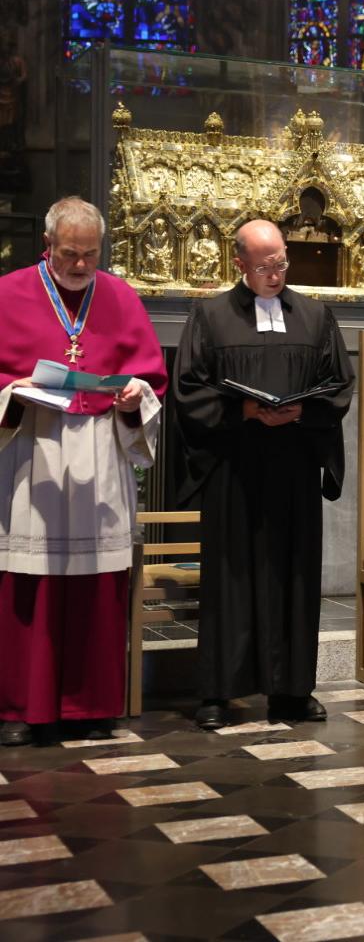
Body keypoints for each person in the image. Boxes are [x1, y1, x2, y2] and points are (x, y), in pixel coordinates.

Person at [173, 219, 354, 730]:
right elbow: (189, 388)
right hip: (235, 466)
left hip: (294, 465)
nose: (275, 274)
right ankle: (218, 692)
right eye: (263, 266)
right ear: (239, 265)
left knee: (294, 575)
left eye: (281, 263)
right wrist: (244, 413)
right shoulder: (210, 315)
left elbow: (338, 383)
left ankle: (292, 690)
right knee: (231, 577)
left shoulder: (316, 315)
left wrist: (303, 413)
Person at [0, 197, 166, 746]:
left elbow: (150, 380)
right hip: (34, 451)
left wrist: (133, 395)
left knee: (98, 584)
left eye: (90, 255)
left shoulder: (119, 295)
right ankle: (24, 707)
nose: (79, 266)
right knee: (31, 583)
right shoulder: (8, 293)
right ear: (47, 246)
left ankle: (91, 706)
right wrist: (13, 393)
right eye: (69, 254)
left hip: (99, 452)